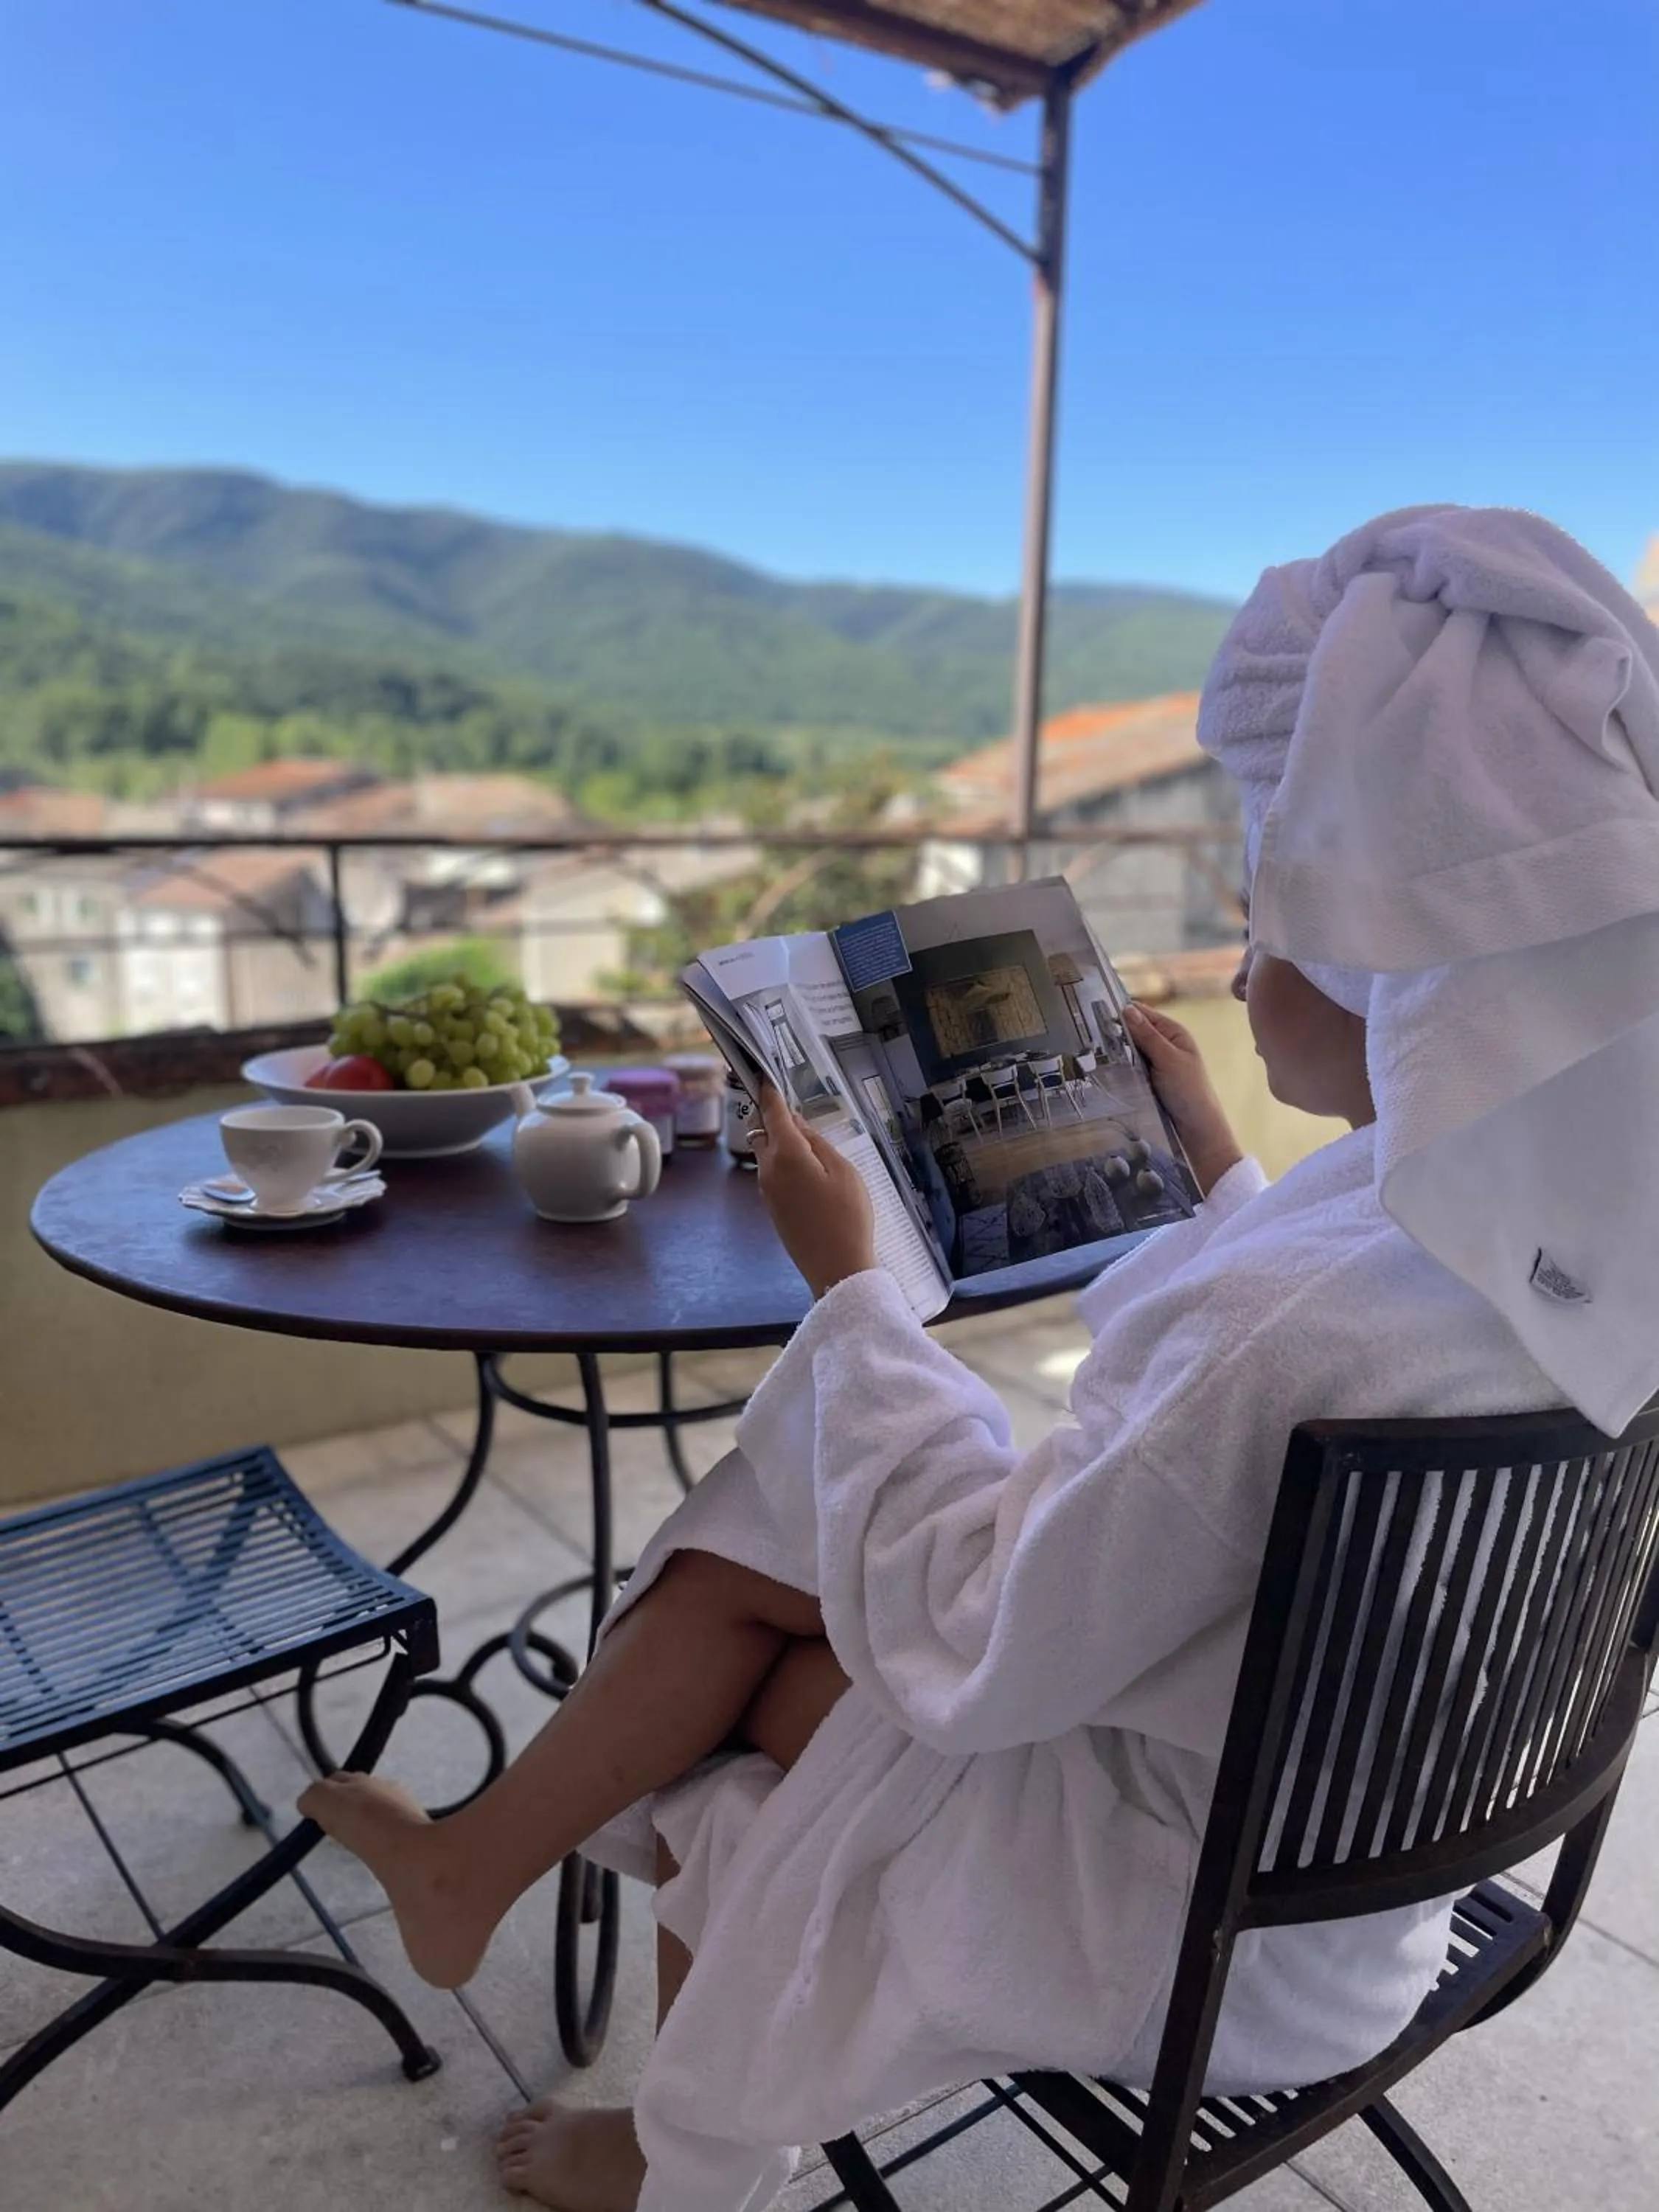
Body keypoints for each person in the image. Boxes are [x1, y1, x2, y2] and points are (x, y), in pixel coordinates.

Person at [300, 504, 1659, 2212]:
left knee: (729, 1696)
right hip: (1368, 1859)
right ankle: (472, 1872)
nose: (1240, 967)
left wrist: (852, 1293)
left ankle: (658, 2143)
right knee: (764, 1535)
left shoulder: (1297, 1322)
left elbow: (986, 1642)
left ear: (1404, 951)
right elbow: (1284, 1371)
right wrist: (1221, 1165)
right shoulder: (1556, 1222)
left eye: (1271, 908)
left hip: (1202, 1923)